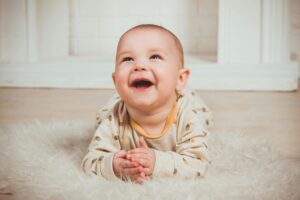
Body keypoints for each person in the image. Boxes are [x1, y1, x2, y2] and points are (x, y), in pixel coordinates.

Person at [81, 24, 213, 183]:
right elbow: (91, 161)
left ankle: (182, 89)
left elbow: (198, 164)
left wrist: (157, 162)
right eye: (128, 59)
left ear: (180, 78)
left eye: (155, 57)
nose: (139, 66)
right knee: (102, 115)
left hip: (188, 100)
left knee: (205, 118)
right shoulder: (114, 119)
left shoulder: (189, 117)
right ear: (115, 81)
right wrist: (114, 165)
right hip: (120, 101)